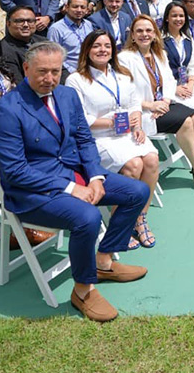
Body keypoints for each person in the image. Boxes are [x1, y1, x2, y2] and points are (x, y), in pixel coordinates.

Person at [0, 40, 150, 322]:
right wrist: (72, 188)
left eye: (55, 71)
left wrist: (95, 177)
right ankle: (83, 290)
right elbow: (15, 171)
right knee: (88, 217)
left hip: (75, 175)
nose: (49, 78)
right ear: (26, 68)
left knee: (137, 191)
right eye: (42, 71)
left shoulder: (66, 95)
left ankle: (103, 261)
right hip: (33, 192)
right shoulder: (6, 110)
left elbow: (84, 139)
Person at [66, 30, 159, 253]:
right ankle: (120, 226)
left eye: (107, 46)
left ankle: (139, 217)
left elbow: (134, 102)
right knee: (134, 165)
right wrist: (112, 123)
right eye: (96, 46)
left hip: (126, 133)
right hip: (98, 137)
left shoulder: (122, 74)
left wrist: (137, 124)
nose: (102, 50)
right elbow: (78, 119)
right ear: (87, 50)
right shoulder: (76, 80)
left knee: (152, 159)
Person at [119, 15, 194, 190]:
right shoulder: (124, 58)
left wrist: (165, 101)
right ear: (132, 35)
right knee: (186, 121)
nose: (144, 34)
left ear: (155, 34)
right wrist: (151, 105)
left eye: (148, 30)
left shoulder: (160, 54)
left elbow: (170, 82)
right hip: (143, 111)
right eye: (139, 31)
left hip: (164, 104)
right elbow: (124, 94)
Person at [48, 0, 98, 74]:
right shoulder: (56, 29)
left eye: (83, 7)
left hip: (90, 70)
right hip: (68, 73)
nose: (79, 10)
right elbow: (53, 56)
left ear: (87, 10)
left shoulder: (88, 25)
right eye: (75, 7)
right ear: (67, 7)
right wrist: (72, 72)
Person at [0, 7, 47, 80]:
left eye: (30, 21)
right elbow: (17, 81)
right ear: (8, 24)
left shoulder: (44, 42)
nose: (25, 25)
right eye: (20, 21)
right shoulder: (4, 50)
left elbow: (61, 69)